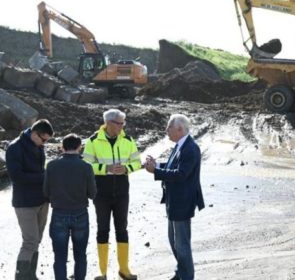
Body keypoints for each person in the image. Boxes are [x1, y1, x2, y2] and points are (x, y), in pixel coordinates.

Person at [83, 109, 142, 280]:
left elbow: (137, 162)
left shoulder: (128, 140)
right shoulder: (93, 141)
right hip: (101, 192)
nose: (123, 126)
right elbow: (86, 166)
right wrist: (105, 169)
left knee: (122, 229)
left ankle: (124, 269)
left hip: (122, 191)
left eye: (123, 123)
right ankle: (102, 272)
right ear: (109, 123)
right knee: (103, 229)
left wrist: (126, 168)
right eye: (120, 123)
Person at [144, 114, 205, 280]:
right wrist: (157, 165)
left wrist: (155, 171)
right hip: (174, 200)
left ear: (179, 129)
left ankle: (186, 276)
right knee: (174, 241)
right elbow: (173, 167)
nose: (166, 130)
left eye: (169, 127)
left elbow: (181, 174)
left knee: (181, 243)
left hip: (183, 201)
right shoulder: (180, 145)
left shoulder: (190, 148)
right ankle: (181, 272)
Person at [6, 119, 54, 280]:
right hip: (25, 203)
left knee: (37, 239)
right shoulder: (14, 148)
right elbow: (17, 177)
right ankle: (20, 277)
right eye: (44, 139)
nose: (45, 143)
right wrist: (44, 177)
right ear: (34, 134)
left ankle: (31, 276)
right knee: (30, 241)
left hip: (42, 201)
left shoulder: (38, 146)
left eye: (47, 140)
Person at [44, 134, 97, 280]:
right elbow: (93, 194)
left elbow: (46, 192)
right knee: (80, 255)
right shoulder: (86, 167)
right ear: (80, 147)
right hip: (80, 213)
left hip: (59, 213)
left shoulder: (52, 165)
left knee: (60, 256)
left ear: (62, 146)